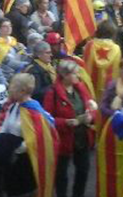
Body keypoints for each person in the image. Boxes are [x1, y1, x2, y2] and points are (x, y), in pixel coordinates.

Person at [43, 61, 97, 197]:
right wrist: (65, 122)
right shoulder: (52, 92)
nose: (78, 75)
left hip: (82, 137)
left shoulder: (81, 88)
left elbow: (91, 106)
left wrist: (91, 116)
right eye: (74, 73)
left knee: (83, 170)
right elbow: (46, 119)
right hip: (63, 140)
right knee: (61, 174)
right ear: (65, 75)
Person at [83, 21, 122, 102]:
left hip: (90, 88)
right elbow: (117, 70)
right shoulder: (116, 49)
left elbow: (85, 66)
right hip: (108, 90)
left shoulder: (89, 46)